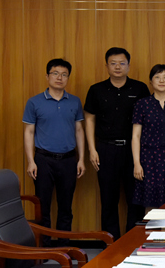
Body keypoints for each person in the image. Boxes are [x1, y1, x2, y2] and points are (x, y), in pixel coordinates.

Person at [84, 47, 150, 238]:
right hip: (106, 149)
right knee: (108, 199)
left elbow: (147, 119)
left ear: (128, 65)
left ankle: (133, 240)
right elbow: (89, 119)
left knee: (135, 199)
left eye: (122, 63)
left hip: (133, 151)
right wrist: (92, 149)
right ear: (106, 66)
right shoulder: (96, 90)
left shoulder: (139, 89)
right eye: (113, 63)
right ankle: (110, 243)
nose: (118, 67)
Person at [23, 59, 85, 243]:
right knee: (43, 206)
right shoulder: (34, 102)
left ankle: (64, 247)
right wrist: (31, 161)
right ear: (47, 76)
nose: (60, 78)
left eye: (64, 74)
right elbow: (29, 132)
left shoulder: (74, 101)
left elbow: (79, 130)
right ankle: (45, 247)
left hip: (68, 160)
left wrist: (81, 159)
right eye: (55, 73)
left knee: (66, 207)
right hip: (43, 160)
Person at [131, 64, 165, 209]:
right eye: (157, 77)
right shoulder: (142, 104)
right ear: (151, 81)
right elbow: (136, 136)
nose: (161, 81)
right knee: (150, 203)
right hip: (149, 160)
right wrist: (137, 163)